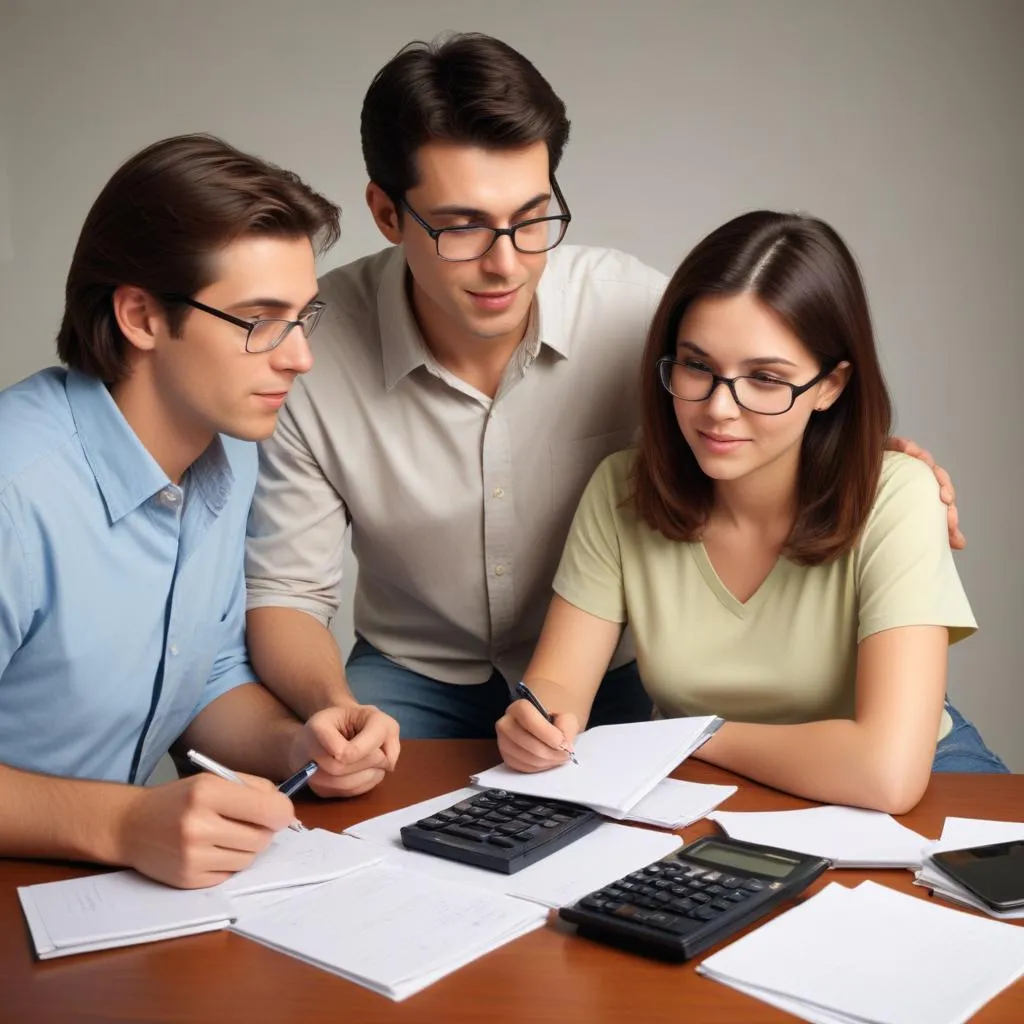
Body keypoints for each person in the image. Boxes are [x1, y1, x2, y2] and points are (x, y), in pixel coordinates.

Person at [244, 33, 962, 742]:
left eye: (532, 220)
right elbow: (286, 592)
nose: (507, 263)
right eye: (463, 227)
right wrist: (334, 709)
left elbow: (765, 392)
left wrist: (878, 467)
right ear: (386, 213)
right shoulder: (310, 349)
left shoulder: (636, 313)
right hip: (410, 672)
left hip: (615, 670)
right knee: (352, 814)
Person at [496, 211, 1007, 814]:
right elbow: (558, 685)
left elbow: (888, 775)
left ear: (831, 385)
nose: (718, 409)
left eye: (765, 378)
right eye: (697, 366)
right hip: (696, 779)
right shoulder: (621, 490)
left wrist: (689, 737)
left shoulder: (898, 496)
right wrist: (536, 720)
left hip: (914, 778)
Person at [0, 134, 398, 890]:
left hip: (88, 893)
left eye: (302, 319)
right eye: (259, 321)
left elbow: (201, 671)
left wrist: (298, 747)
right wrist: (121, 823)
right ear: (142, 317)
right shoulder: (14, 491)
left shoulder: (230, 451)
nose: (298, 358)